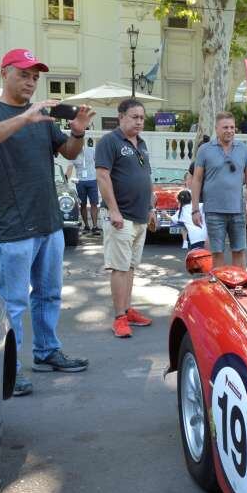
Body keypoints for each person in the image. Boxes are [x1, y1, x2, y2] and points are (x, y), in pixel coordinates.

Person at [0, 48, 94, 396]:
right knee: (14, 302)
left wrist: (77, 132)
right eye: (24, 74)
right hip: (15, 226)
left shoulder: (44, 117)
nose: (31, 81)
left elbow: (67, 152)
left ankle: (47, 352)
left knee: (49, 295)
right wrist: (24, 118)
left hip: (49, 221)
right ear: (4, 72)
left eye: (35, 76)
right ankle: (10, 370)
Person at [95, 98, 155, 339]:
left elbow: (146, 176)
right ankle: (119, 317)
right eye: (134, 117)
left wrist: (151, 207)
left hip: (139, 216)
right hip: (121, 216)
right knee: (119, 268)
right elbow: (102, 176)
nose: (139, 121)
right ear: (121, 117)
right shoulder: (109, 142)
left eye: (142, 117)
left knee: (130, 266)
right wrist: (113, 210)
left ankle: (128, 310)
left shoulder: (141, 144)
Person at [191, 112, 247, 268]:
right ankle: (220, 289)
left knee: (239, 251)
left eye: (232, 127)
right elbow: (197, 179)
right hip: (213, 211)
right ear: (217, 129)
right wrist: (194, 210)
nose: (230, 130)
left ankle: (238, 289)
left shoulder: (243, 149)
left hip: (237, 211)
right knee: (216, 253)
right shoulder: (205, 150)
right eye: (225, 127)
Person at [67, 137, 100, 234]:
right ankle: (86, 226)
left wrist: (101, 176)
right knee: (83, 204)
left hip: (92, 180)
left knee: (94, 203)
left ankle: (95, 226)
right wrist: (65, 180)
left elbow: (99, 163)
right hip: (80, 182)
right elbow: (69, 170)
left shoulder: (92, 150)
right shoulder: (73, 155)